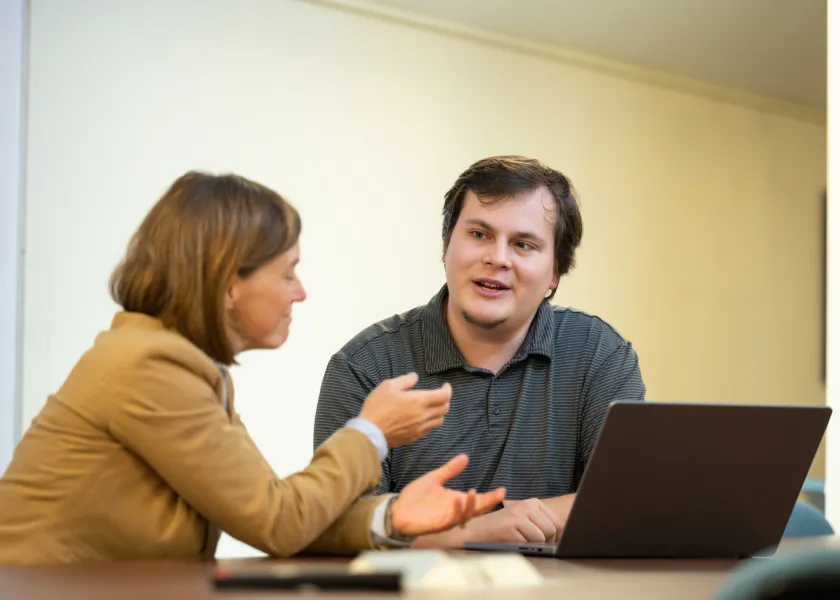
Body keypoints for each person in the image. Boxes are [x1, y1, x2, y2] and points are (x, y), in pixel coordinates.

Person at [0, 171, 505, 565]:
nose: (300, 292)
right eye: (287, 272)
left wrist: (391, 516)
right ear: (228, 284)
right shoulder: (150, 368)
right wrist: (372, 432)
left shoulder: (177, 364)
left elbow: (273, 509)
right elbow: (278, 522)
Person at [314, 155, 646, 548]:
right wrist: (477, 532)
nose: (497, 258)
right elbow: (339, 529)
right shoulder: (363, 366)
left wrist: (506, 521)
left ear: (555, 273)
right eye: (479, 235)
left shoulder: (600, 354)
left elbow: (630, 504)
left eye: (524, 244)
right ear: (445, 247)